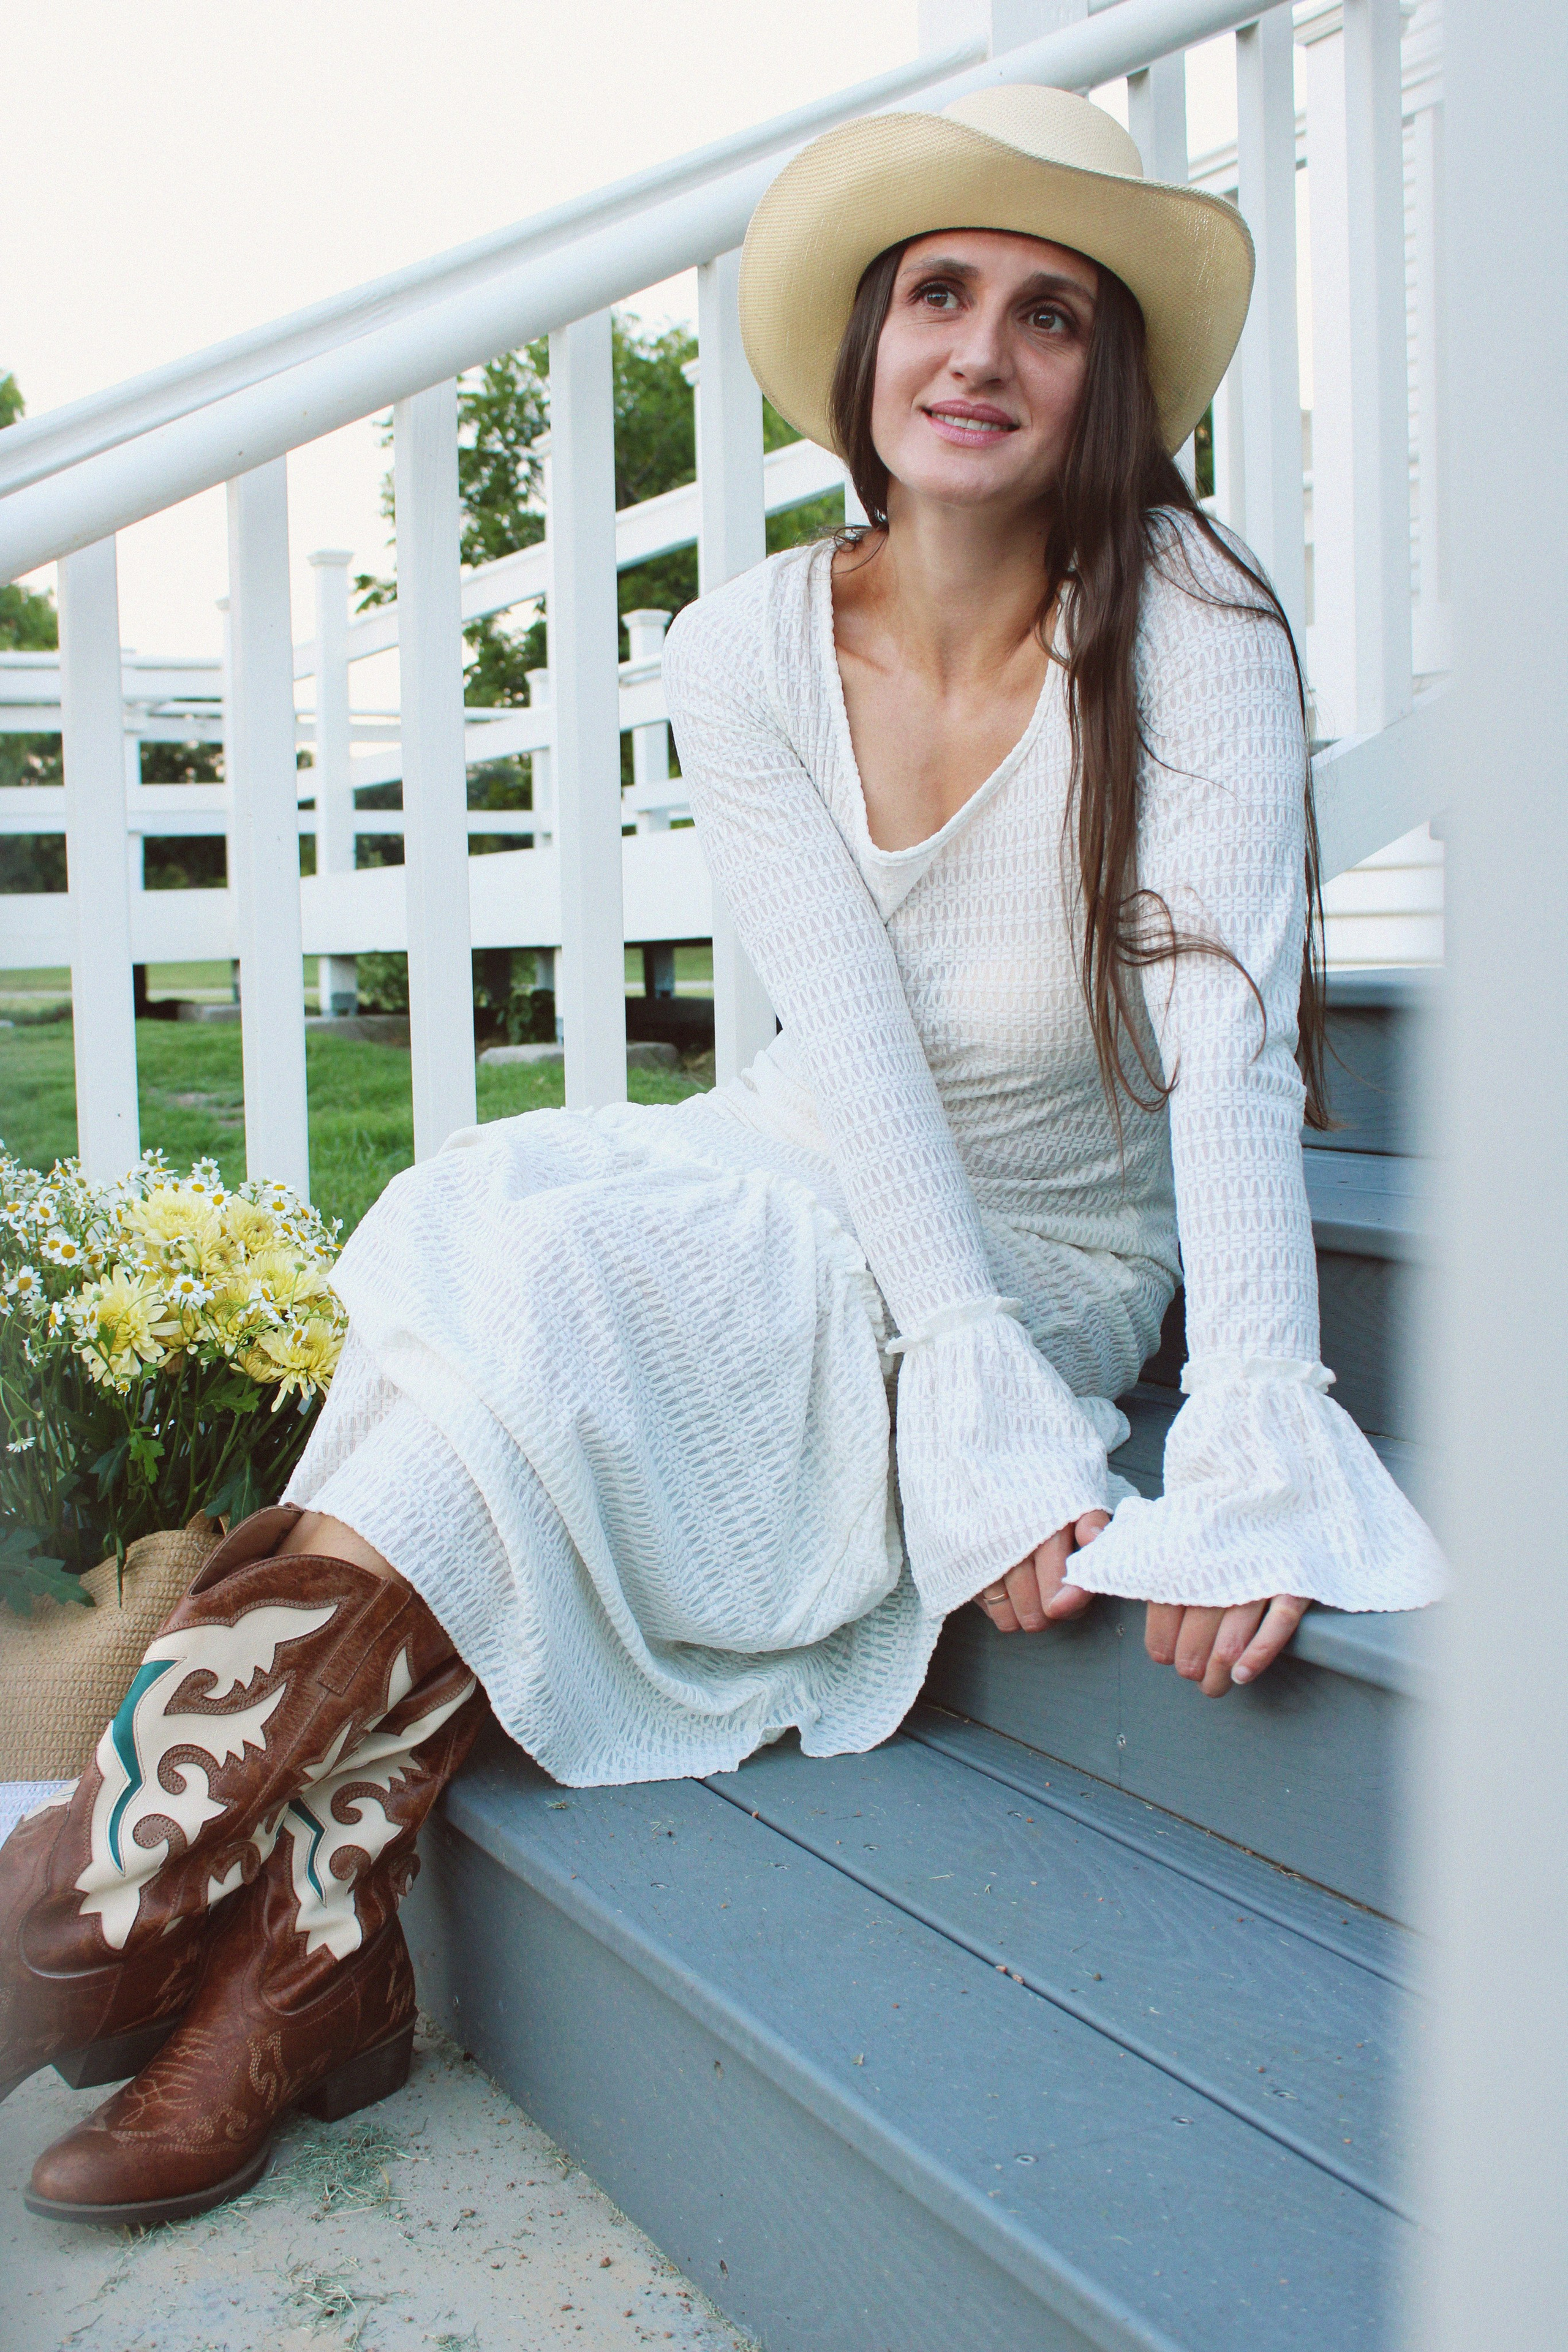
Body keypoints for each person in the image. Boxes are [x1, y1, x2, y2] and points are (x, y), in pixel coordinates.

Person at [1, 84, 1441, 2227]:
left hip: (1041, 1229)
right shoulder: (748, 644)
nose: (982, 350)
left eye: (1050, 315)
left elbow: (1230, 1053)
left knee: (566, 1312)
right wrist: (936, 1368)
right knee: (495, 1235)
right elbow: (846, 1058)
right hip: (810, 1160)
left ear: (1105, 378)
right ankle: (269, 1955)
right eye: (938, 295)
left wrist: (1235, 1424)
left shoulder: (1194, 625)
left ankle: (126, 1927)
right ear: (867, 351)